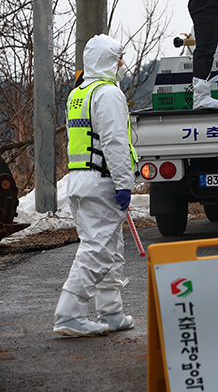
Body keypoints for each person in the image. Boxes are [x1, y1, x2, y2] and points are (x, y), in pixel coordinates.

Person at [54, 34, 138, 337]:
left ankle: (111, 312)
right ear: (107, 60)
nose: (121, 64)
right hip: (101, 180)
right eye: (118, 58)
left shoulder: (79, 93)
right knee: (99, 249)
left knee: (110, 248)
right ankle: (70, 313)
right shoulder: (108, 94)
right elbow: (114, 141)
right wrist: (124, 182)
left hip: (80, 179)